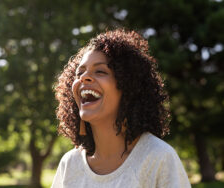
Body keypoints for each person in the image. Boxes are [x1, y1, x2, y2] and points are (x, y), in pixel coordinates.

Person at [52, 29, 191, 188]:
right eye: (79, 73)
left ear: (128, 86)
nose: (83, 78)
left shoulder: (158, 158)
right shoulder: (70, 165)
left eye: (100, 71)